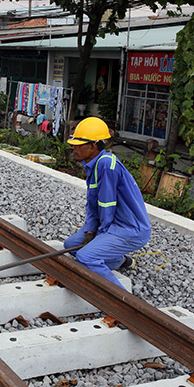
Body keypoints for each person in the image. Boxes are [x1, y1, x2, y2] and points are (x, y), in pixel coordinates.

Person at [64, 117, 151, 290]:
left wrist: (100, 235)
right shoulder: (92, 164)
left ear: (94, 145)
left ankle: (122, 300)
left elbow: (106, 205)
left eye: (78, 145)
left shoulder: (106, 165)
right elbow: (93, 205)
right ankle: (120, 260)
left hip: (129, 229)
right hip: (113, 225)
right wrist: (90, 231)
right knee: (70, 246)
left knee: (85, 257)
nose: (74, 148)